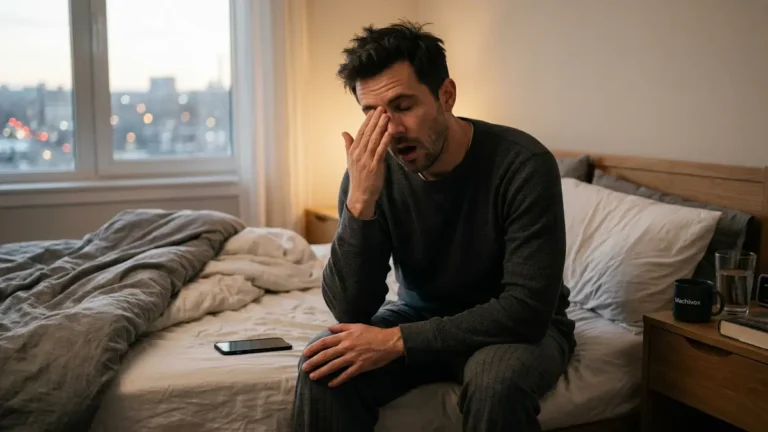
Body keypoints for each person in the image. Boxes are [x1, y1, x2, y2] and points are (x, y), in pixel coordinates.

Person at [292, 20, 577, 432]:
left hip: (513, 330)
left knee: (495, 383)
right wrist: (360, 203)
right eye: (373, 114)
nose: (391, 131)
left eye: (403, 106)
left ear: (447, 95)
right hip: (420, 314)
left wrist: (398, 341)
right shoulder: (370, 174)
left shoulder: (523, 164)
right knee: (324, 364)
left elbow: (527, 310)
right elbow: (350, 310)